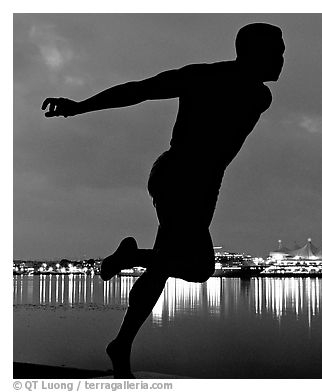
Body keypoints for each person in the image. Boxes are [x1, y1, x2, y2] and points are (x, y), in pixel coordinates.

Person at [42, 22, 285, 378]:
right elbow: (139, 90)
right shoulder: (206, 78)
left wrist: (80, 108)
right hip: (180, 178)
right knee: (199, 268)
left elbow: (142, 91)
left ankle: (122, 341)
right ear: (254, 52)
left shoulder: (257, 94)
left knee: (163, 265)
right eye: (277, 52)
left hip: (201, 185)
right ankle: (128, 265)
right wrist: (79, 107)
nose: (282, 60)